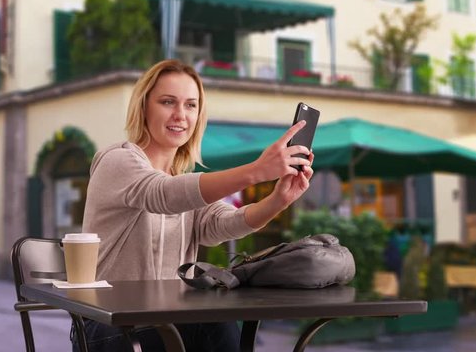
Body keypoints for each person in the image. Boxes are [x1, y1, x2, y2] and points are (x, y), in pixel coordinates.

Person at [73, 59, 315, 352]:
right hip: (107, 323)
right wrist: (257, 170)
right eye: (167, 102)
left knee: (213, 317)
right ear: (144, 107)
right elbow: (162, 195)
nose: (180, 115)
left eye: (190, 105)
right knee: (206, 320)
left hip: (165, 320)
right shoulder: (117, 160)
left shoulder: (183, 182)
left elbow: (223, 224)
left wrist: (278, 200)